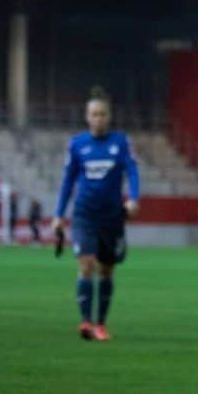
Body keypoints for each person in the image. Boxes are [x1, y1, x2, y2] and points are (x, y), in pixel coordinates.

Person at [51, 87, 140, 341]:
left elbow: (132, 171)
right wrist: (58, 214)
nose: (98, 118)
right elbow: (68, 181)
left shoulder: (120, 142)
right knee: (86, 265)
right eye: (94, 114)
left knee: (107, 271)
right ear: (87, 116)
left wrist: (133, 199)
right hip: (84, 214)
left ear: (108, 117)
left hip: (111, 216)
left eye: (102, 114)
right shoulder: (77, 144)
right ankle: (86, 322)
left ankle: (101, 323)